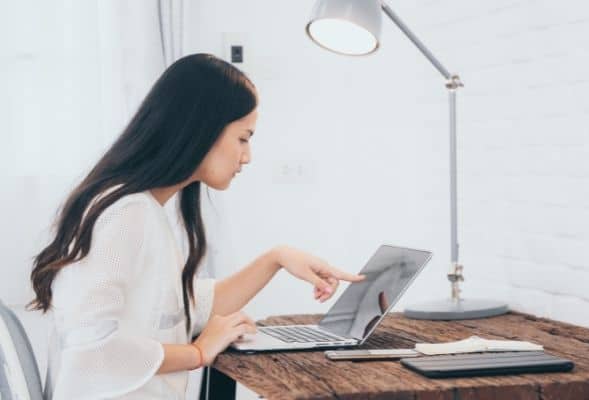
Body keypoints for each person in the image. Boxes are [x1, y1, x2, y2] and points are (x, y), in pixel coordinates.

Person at [28, 53, 364, 399]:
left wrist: (276, 259)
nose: (246, 157)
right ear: (203, 129)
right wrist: (199, 352)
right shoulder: (126, 215)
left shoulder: (141, 209)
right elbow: (93, 351)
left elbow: (184, 309)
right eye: (243, 138)